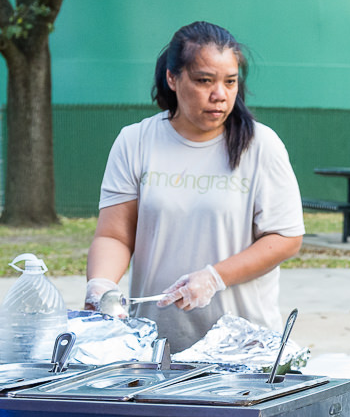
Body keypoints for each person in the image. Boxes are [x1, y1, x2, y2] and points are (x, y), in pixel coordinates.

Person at [84, 21, 304, 351]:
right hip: (155, 346)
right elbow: (114, 235)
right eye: (204, 81)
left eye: (230, 82)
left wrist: (215, 277)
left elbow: (285, 238)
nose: (220, 95)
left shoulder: (261, 145)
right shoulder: (136, 141)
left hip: (243, 348)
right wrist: (100, 285)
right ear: (173, 78)